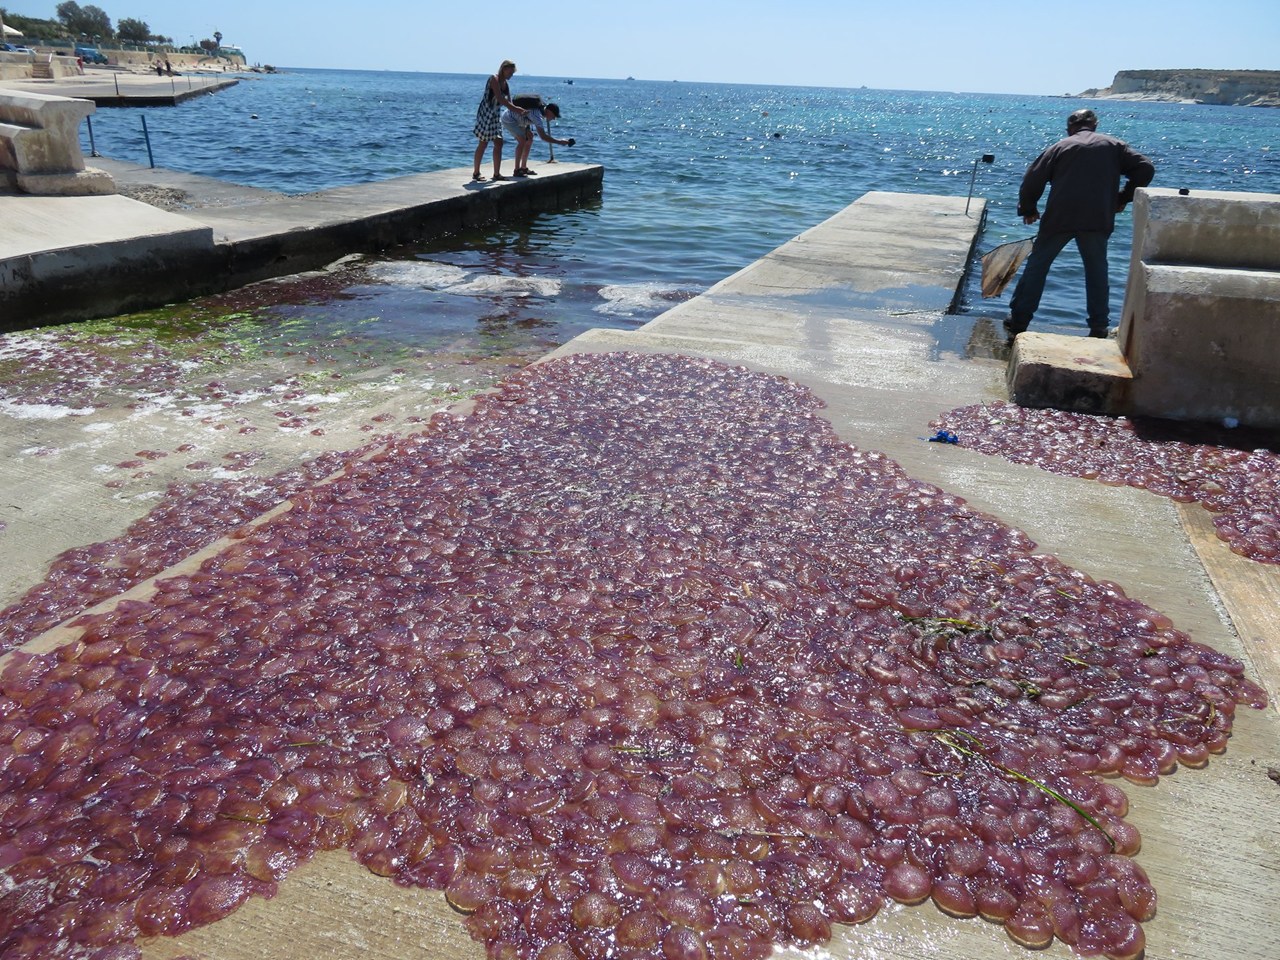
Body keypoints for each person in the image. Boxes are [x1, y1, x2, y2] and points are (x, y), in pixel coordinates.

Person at [1006, 108, 1155, 340]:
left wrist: (1028, 209)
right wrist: (1122, 197)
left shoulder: (1060, 147)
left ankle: (1019, 321)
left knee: (1038, 267)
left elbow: (1032, 178)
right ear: (1095, 125)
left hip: (1059, 218)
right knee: (1096, 271)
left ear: (1069, 128)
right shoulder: (1115, 146)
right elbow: (1145, 167)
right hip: (1097, 219)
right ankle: (1098, 327)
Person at [472, 60, 524, 182]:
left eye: (513, 73)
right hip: (486, 113)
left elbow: (509, 102)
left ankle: (496, 174)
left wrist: (520, 112)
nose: (511, 75)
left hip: (495, 115)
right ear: (503, 69)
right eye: (510, 72)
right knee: (483, 143)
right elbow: (500, 99)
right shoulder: (493, 79)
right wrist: (516, 109)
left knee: (499, 142)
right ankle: (476, 172)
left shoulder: (506, 84)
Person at [500, 101, 575, 177]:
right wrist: (559, 142)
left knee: (530, 138)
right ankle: (517, 170)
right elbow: (543, 136)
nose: (554, 118)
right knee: (522, 141)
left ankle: (523, 168)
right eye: (554, 115)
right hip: (509, 119)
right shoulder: (537, 116)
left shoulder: (540, 110)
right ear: (548, 111)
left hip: (519, 119)